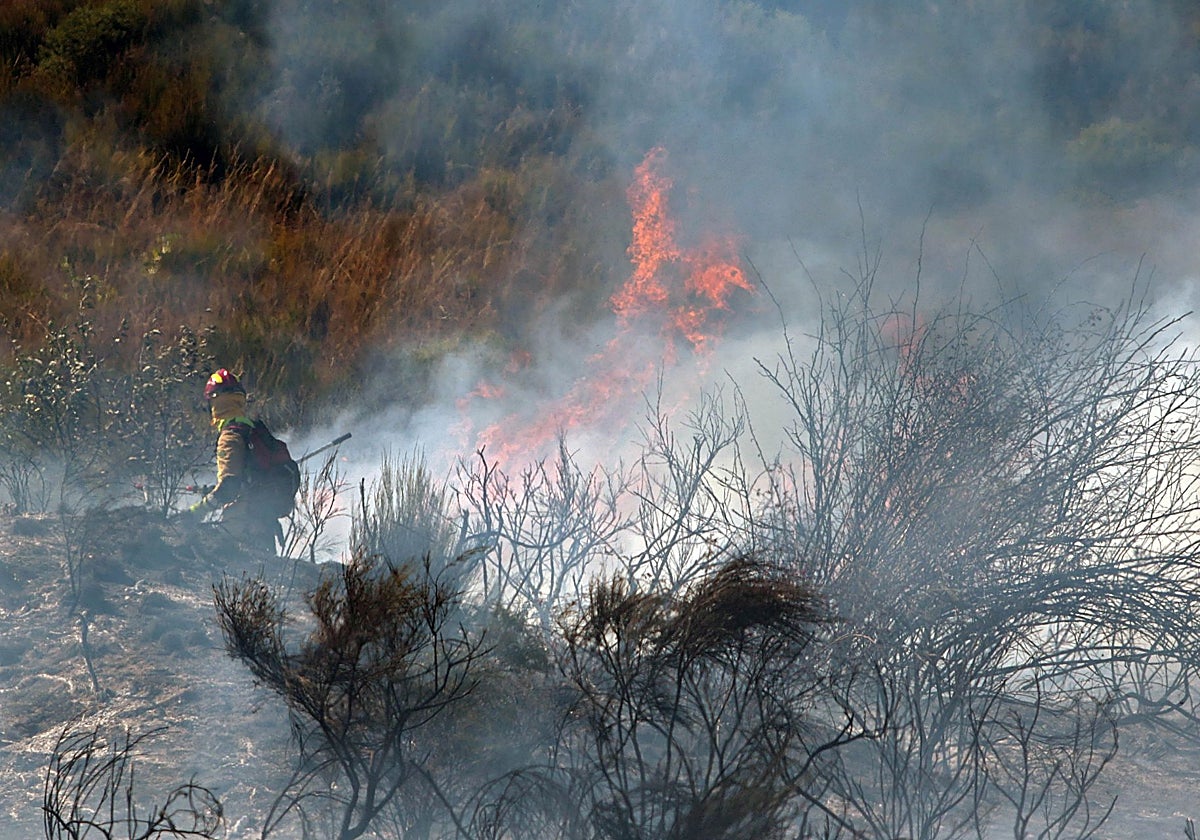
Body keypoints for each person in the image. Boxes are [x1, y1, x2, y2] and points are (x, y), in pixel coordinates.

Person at [184, 369, 282, 555]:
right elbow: (248, 476)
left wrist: (197, 511)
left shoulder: (230, 437)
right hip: (264, 527)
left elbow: (230, 486)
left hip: (240, 529)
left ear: (214, 401)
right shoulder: (253, 429)